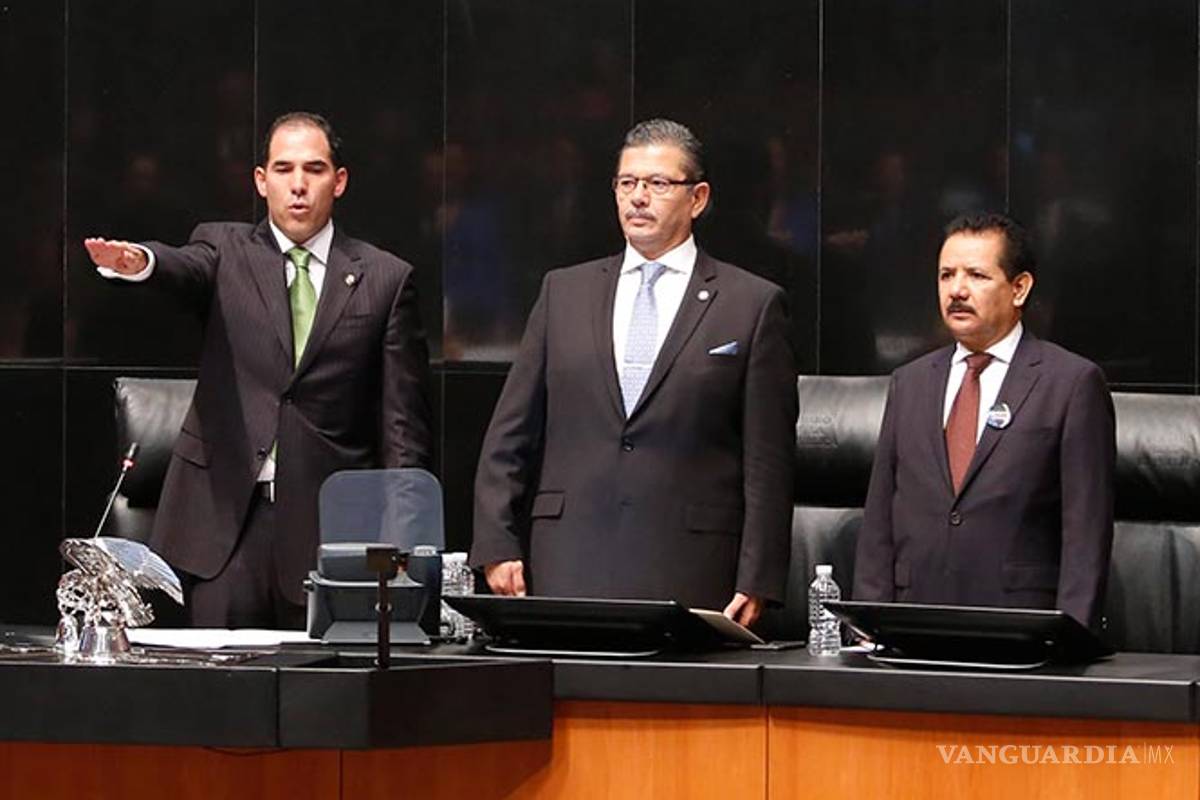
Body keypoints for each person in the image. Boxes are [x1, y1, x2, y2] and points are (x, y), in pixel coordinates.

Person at [83, 112, 433, 628]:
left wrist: (402, 549)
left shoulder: (386, 279)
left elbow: (402, 429)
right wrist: (142, 263)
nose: (298, 185)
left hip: (327, 535)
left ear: (339, 181)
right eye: (283, 168)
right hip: (223, 531)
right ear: (260, 180)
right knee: (219, 697)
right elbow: (183, 266)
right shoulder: (225, 249)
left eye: (313, 170)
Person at [470, 119, 796, 626]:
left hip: (690, 565)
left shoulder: (750, 304)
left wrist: (758, 576)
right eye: (628, 183)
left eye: (658, 184)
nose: (639, 197)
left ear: (698, 198)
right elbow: (509, 434)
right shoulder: (564, 292)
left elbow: (768, 460)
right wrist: (495, 541)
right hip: (564, 559)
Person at [853, 212, 1114, 627]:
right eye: (946, 275)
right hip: (913, 625)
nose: (957, 290)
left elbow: (1085, 532)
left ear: (1020, 288)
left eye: (976, 275)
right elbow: (880, 517)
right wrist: (870, 624)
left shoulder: (1071, 384)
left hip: (1021, 632)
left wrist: (1072, 636)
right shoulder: (910, 382)